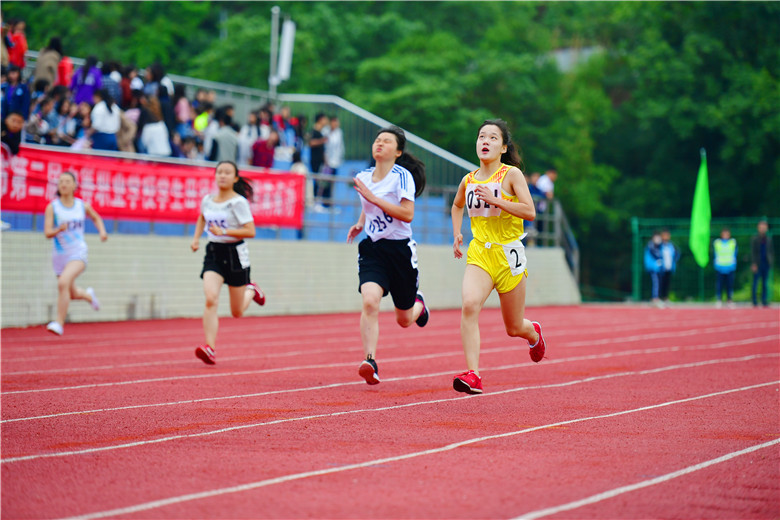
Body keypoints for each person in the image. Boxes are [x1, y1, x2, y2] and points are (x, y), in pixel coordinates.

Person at [450, 119, 545, 395]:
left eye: (493, 138)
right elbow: (456, 206)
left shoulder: (511, 175)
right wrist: (457, 233)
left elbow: (530, 212)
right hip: (480, 252)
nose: (485, 141)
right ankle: (474, 374)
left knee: (514, 327)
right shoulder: (468, 180)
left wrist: (497, 201)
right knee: (469, 304)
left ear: (503, 147)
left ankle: (533, 333)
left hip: (509, 255)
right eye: (481, 136)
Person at [346, 125, 429, 385]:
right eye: (377, 140)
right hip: (373, 248)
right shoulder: (364, 176)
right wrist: (361, 222)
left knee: (404, 319)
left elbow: (407, 214)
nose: (379, 144)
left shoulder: (401, 176)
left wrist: (372, 197)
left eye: (386, 141)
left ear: (398, 151)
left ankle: (419, 305)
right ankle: (370, 360)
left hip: (400, 251)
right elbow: (368, 205)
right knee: (370, 301)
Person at [190, 161, 266, 364]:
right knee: (210, 298)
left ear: (235, 178)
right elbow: (201, 218)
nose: (222, 176)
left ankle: (251, 290)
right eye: (219, 172)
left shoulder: (238, 203)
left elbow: (251, 231)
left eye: (227, 173)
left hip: (235, 255)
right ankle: (210, 347)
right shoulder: (207, 200)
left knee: (237, 311)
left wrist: (225, 231)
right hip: (214, 252)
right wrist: (196, 239)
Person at [43, 171, 108, 336]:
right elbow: (47, 232)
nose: (63, 184)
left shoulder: (81, 205)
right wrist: (58, 229)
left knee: (63, 283)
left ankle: (58, 323)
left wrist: (102, 231)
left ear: (74, 185)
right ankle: (88, 296)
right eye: (61, 181)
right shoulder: (53, 207)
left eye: (67, 181)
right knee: (70, 292)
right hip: (59, 256)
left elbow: (96, 217)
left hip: (78, 253)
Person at [751, 220, 774, 307]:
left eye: (764, 227)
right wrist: (754, 263)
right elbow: (753, 252)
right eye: (761, 227)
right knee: (755, 282)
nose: (763, 229)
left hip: (766, 263)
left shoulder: (768, 239)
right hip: (758, 263)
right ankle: (754, 300)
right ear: (758, 228)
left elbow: (771, 251)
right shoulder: (755, 239)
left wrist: (771, 261)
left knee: (765, 283)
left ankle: (764, 300)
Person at [713, 227, 737, 308]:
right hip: (720, 266)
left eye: (727, 234)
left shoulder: (732, 242)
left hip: (730, 266)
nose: (725, 235)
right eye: (724, 234)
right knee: (719, 284)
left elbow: (735, 253)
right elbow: (715, 254)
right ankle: (719, 300)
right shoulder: (717, 243)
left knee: (729, 284)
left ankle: (729, 300)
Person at [659, 228, 680, 305]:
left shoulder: (671, 245)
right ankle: (659, 298)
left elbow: (677, 253)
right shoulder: (659, 245)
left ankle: (666, 298)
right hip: (661, 268)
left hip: (669, 267)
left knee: (667, 284)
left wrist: (675, 260)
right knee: (660, 283)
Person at [644, 230, 664, 307]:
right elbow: (656, 254)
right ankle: (655, 298)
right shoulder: (651, 245)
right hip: (653, 268)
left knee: (658, 283)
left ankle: (656, 297)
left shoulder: (659, 246)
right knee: (656, 283)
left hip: (658, 268)